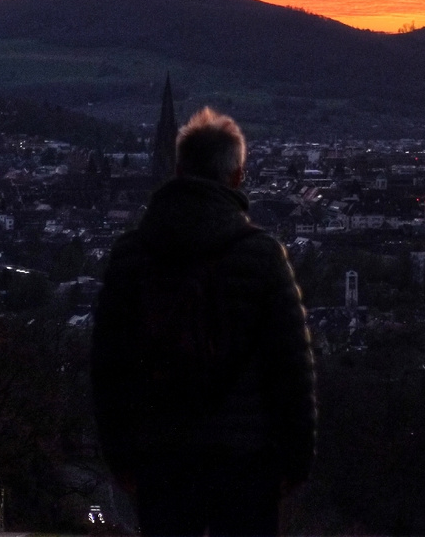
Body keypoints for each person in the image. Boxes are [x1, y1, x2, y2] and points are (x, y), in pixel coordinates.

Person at [93, 108, 316, 536]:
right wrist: (296, 460)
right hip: (247, 458)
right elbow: (291, 370)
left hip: (162, 454)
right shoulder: (262, 256)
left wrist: (120, 456)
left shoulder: (133, 255)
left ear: (177, 171)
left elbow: (108, 368)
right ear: (236, 177)